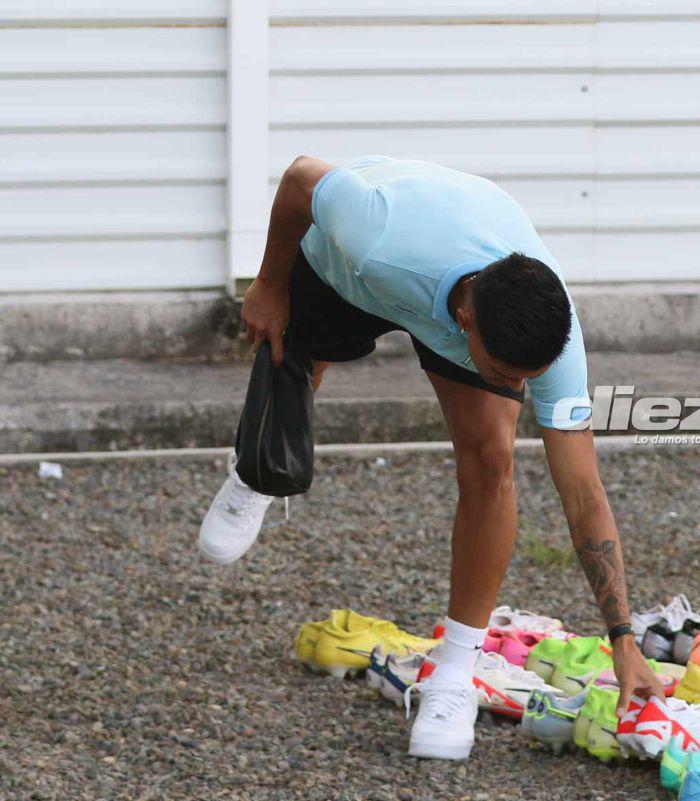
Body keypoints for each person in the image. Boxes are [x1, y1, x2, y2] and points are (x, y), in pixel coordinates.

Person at [197, 155, 664, 759]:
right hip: (346, 273)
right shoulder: (378, 234)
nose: (520, 386)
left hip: (454, 277)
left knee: (492, 460)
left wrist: (623, 639)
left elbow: (584, 495)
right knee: (290, 362)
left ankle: (454, 677)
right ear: (467, 323)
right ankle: (252, 477)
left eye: (530, 377)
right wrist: (269, 283)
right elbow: (300, 178)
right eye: (506, 374)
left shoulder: (554, 345)